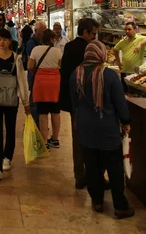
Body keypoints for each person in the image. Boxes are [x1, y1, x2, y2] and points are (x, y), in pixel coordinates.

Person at [70, 40, 134, 220]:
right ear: (101, 55)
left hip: (85, 129)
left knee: (92, 166)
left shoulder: (75, 75)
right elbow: (120, 102)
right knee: (114, 167)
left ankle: (97, 201)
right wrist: (125, 121)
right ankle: (120, 206)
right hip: (107, 129)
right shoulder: (110, 76)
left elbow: (74, 103)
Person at [0, 30, 30, 180]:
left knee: (10, 130)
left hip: (11, 100)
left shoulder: (16, 58)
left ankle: (7, 157)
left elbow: (21, 81)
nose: (1, 42)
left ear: (10, 41)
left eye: (4, 40)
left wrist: (25, 102)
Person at [59, 17, 99, 189]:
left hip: (73, 99)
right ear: (85, 32)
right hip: (87, 100)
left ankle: (80, 174)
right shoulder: (88, 49)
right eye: (94, 34)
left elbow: (65, 71)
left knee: (77, 137)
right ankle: (91, 174)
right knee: (91, 138)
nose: (95, 38)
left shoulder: (68, 46)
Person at [28, 29, 62, 148]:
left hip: (41, 83)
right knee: (55, 112)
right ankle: (55, 139)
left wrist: (38, 74)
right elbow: (60, 65)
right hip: (55, 83)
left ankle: (44, 141)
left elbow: (30, 66)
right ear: (52, 39)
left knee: (42, 113)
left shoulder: (35, 50)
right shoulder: (57, 51)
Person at [26, 21, 47, 125]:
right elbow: (30, 64)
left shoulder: (39, 42)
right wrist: (36, 75)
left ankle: (38, 122)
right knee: (34, 101)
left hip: (39, 78)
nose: (44, 33)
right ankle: (34, 123)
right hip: (34, 78)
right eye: (42, 31)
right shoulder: (31, 43)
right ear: (36, 31)